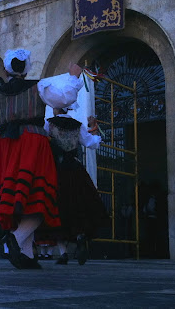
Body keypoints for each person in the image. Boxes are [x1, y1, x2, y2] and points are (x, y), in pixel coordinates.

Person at [0, 48, 83, 269]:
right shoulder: (39, 87)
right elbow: (66, 97)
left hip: (6, 144)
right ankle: (16, 239)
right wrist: (74, 76)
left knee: (17, 197)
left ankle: (26, 255)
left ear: (6, 69)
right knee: (40, 198)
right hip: (32, 141)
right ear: (26, 70)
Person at [45, 106, 108, 265]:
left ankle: (63, 253)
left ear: (55, 109)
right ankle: (80, 237)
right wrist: (94, 130)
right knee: (78, 204)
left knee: (58, 207)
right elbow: (92, 144)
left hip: (56, 169)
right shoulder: (77, 125)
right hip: (74, 168)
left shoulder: (49, 124)